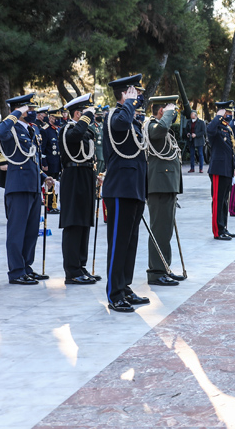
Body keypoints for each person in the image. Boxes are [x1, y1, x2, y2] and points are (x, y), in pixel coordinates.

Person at [101, 74, 149, 312]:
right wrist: (128, 103)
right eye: (135, 92)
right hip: (120, 188)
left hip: (135, 188)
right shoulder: (115, 116)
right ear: (125, 93)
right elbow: (119, 125)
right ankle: (114, 293)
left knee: (130, 243)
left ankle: (124, 287)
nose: (139, 96)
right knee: (118, 243)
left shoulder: (131, 119)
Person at [0, 94, 55, 285]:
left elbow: (32, 159)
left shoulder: (33, 130)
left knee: (31, 231)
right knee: (17, 231)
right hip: (18, 187)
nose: (33, 113)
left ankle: (26, 267)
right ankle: (16, 271)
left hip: (33, 186)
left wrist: (44, 177)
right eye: (29, 110)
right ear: (20, 111)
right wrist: (15, 113)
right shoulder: (10, 129)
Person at [58, 94, 99, 285]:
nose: (91, 116)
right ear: (77, 113)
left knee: (84, 223)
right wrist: (85, 118)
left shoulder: (86, 130)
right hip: (73, 177)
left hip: (86, 176)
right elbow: (75, 136)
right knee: (73, 224)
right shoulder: (67, 130)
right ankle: (72, 271)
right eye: (86, 112)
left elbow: (91, 144)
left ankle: (81, 266)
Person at [144, 96, 183, 287]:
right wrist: (167, 115)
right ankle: (156, 272)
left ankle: (164, 268)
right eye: (171, 111)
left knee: (165, 231)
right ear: (162, 112)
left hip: (166, 185)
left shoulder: (161, 128)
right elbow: (159, 131)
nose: (174, 114)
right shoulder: (152, 125)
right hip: (159, 186)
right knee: (159, 230)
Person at [207, 100, 235, 240]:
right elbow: (209, 130)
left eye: (230, 113)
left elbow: (231, 151)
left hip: (227, 169)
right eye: (227, 112)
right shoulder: (216, 127)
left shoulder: (227, 128)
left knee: (224, 201)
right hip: (218, 170)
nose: (230, 115)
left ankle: (224, 227)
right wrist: (218, 116)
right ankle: (217, 231)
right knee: (218, 200)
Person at [42, 108, 62, 213]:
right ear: (50, 118)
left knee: (56, 184)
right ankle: (49, 206)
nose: (58, 120)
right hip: (49, 163)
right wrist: (44, 163)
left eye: (59, 118)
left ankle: (54, 204)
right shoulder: (45, 130)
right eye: (56, 118)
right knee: (49, 184)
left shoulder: (57, 130)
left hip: (57, 162)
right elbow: (43, 148)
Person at [93, 107, 105, 171]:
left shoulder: (103, 125)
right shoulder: (92, 127)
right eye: (98, 115)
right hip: (97, 152)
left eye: (101, 115)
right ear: (94, 115)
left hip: (104, 152)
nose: (100, 116)